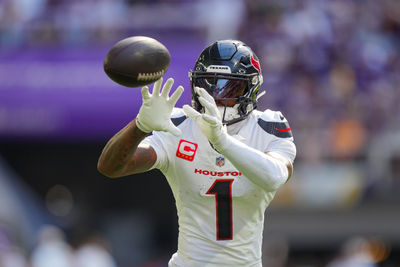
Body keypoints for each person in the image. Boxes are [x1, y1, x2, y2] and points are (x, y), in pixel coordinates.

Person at [98, 40, 296, 267]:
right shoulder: (179, 124)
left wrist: (223, 142)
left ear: (250, 90)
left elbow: (274, 177)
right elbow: (111, 167)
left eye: (230, 88)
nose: (217, 97)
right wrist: (139, 126)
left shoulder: (268, 126)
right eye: (208, 85)